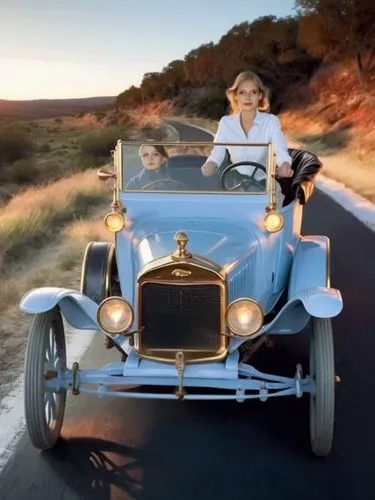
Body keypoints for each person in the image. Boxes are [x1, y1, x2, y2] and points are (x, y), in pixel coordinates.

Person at [201, 71, 293, 186]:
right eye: (242, 92)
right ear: (235, 96)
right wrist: (209, 165)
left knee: (275, 202)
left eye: (253, 92)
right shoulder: (226, 123)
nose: (248, 98)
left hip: (264, 185)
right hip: (235, 184)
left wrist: (285, 165)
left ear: (260, 95)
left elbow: (281, 151)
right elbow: (217, 154)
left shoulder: (270, 121)